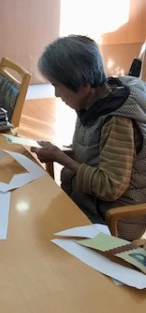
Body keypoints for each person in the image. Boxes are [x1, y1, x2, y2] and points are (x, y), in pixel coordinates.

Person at [32, 35, 146, 240]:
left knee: (39, 236)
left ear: (84, 85)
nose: (56, 94)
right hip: (88, 201)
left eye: (57, 85)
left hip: (112, 219)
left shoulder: (117, 120)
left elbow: (110, 187)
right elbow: (95, 154)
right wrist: (58, 153)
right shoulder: (93, 102)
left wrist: (61, 158)